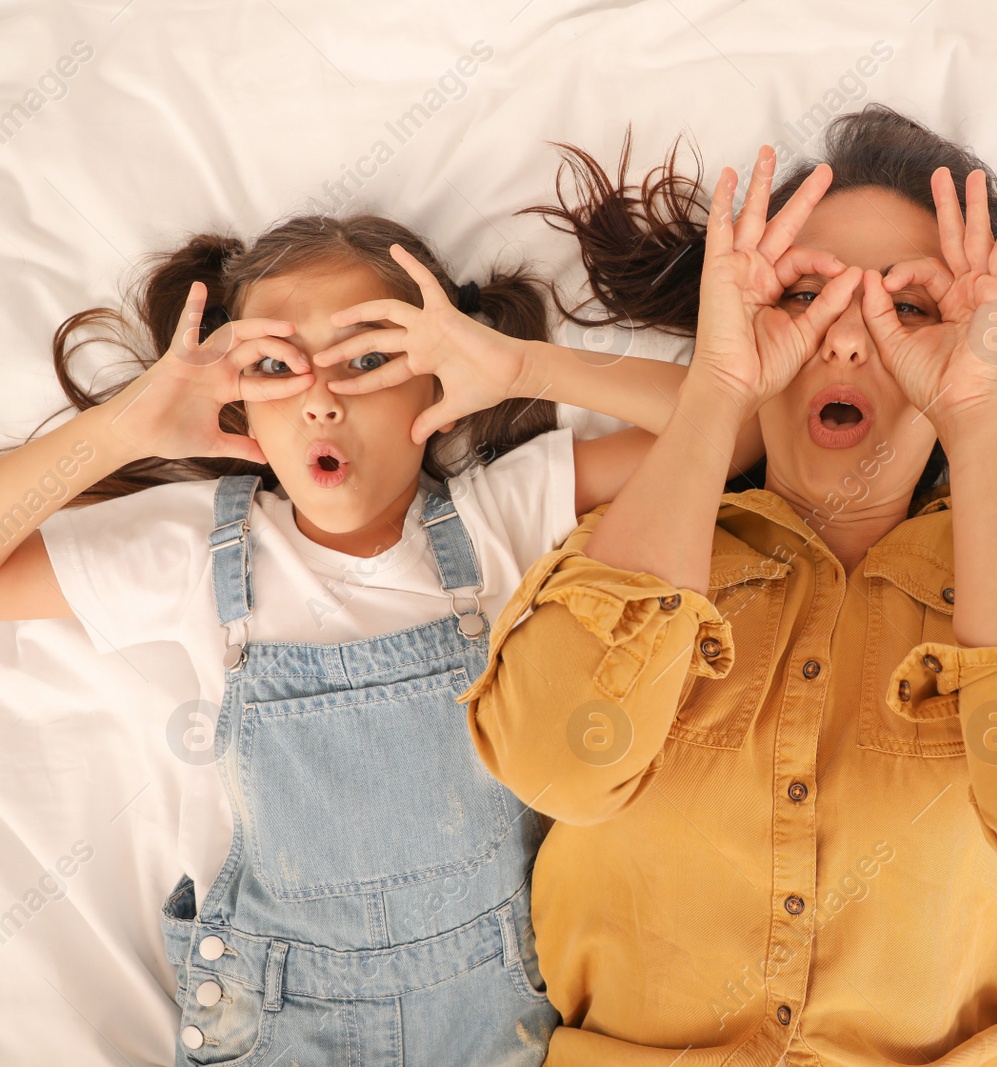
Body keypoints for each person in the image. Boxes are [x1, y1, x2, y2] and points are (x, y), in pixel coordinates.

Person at [461, 107, 997, 1066]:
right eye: (808, 296)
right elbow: (554, 760)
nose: (847, 338)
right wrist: (717, 387)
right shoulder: (641, 548)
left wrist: (974, 418)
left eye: (908, 310)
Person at [0, 213, 757, 1065]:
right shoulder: (194, 548)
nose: (322, 395)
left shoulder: (500, 515)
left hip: (496, 1025)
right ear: (237, 399)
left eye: (367, 360)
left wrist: (520, 367)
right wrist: (127, 427)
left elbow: (733, 428)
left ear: (435, 389)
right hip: (275, 1026)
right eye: (276, 368)